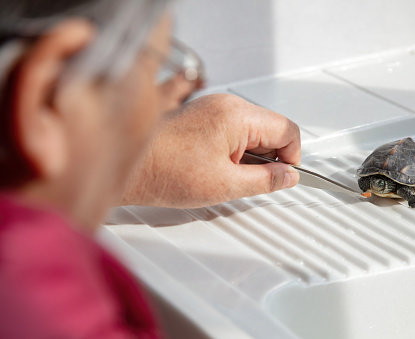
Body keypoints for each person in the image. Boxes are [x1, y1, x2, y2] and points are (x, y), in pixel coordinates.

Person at [0, 0, 301, 338]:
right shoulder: (46, 307)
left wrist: (140, 162)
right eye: (157, 66)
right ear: (46, 97)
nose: (170, 102)